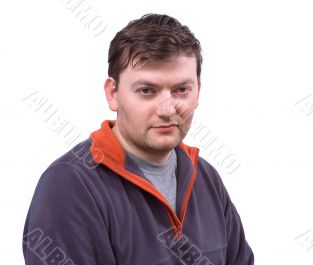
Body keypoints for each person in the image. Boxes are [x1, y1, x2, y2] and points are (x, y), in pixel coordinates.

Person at [22, 13, 254, 265]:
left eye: (181, 90)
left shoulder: (206, 177)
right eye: (147, 91)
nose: (167, 109)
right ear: (113, 94)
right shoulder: (70, 185)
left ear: (198, 91)